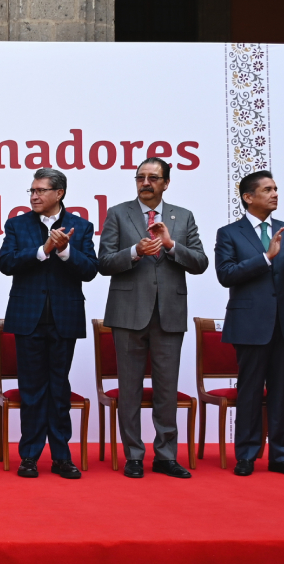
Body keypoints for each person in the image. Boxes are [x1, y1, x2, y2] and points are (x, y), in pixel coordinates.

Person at [98, 157, 209, 479]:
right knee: (129, 389)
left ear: (165, 183)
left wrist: (172, 245)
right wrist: (135, 252)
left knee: (166, 389)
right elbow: (103, 262)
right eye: (140, 178)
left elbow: (200, 262)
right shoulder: (118, 213)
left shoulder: (183, 217)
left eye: (152, 178)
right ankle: (133, 455)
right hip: (128, 313)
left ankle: (166, 455)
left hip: (169, 314)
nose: (145, 183)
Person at [0, 169, 98, 479]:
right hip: (28, 318)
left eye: (41, 191)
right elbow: (6, 263)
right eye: (31, 191)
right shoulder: (17, 225)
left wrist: (66, 250)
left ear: (60, 193)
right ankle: (29, 456)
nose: (34, 196)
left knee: (58, 389)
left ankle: (61, 456)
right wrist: (44, 251)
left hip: (63, 319)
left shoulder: (81, 227)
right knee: (31, 390)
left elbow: (91, 269)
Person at [215, 170, 284, 477]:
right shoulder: (229, 233)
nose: (275, 194)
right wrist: (267, 258)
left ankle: (280, 456)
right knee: (250, 390)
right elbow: (226, 275)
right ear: (248, 197)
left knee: (280, 391)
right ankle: (246, 454)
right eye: (267, 189)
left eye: (276, 189)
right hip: (249, 324)